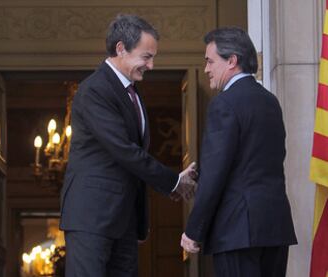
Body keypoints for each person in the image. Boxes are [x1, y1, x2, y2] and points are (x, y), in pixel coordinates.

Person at [59, 14, 196, 277]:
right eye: (146, 57)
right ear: (121, 48)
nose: (151, 65)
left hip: (123, 220)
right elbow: (123, 149)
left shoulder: (130, 92)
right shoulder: (95, 90)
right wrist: (172, 181)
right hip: (92, 217)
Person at [181, 27, 297, 276]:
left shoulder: (224, 103)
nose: (206, 69)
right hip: (275, 229)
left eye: (210, 61)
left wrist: (193, 230)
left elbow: (216, 173)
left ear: (232, 61)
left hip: (237, 231)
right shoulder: (270, 101)